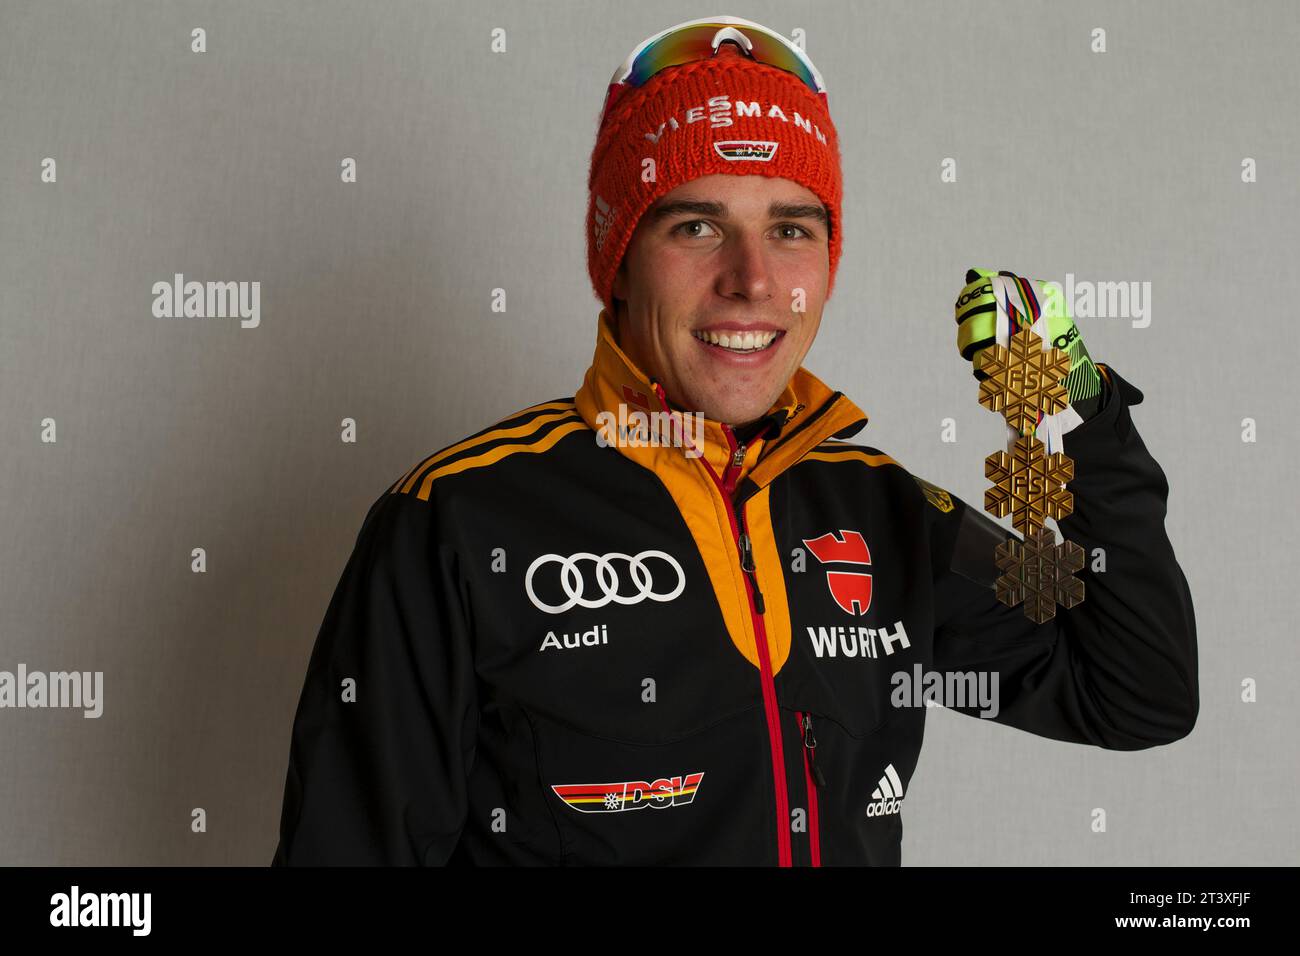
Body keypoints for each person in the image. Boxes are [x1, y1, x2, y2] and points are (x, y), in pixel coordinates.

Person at [271, 16, 1197, 866]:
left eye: (791, 229)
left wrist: (1084, 413)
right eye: (697, 225)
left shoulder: (882, 511)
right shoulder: (454, 520)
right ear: (618, 262)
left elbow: (1134, 692)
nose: (752, 281)